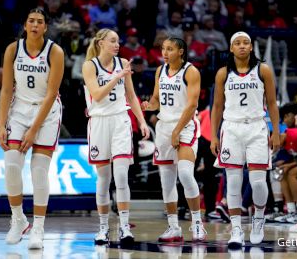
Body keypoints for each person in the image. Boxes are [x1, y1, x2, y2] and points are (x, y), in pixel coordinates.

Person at [0, 8, 64, 249]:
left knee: (38, 171)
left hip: (46, 114)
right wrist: (1, 124)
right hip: (19, 110)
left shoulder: (55, 51)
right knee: (12, 164)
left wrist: (34, 129)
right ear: (25, 25)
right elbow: (6, 89)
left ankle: (38, 227)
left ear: (45, 27)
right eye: (31, 21)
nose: (35, 25)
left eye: (40, 22)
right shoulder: (13, 49)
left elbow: (51, 94)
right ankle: (18, 219)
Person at [210, 31, 280, 247]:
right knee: (233, 181)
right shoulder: (223, 73)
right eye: (237, 43)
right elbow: (217, 106)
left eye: (246, 43)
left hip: (257, 127)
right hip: (231, 128)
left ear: (251, 47)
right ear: (231, 48)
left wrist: (275, 131)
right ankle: (237, 229)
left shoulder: (263, 70)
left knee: (258, 182)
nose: (242, 46)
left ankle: (258, 217)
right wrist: (213, 135)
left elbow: (271, 102)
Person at [82, 28, 150, 246]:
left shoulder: (123, 62)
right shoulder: (89, 65)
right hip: (99, 122)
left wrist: (141, 121)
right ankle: (103, 228)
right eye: (112, 41)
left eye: (118, 41)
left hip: (121, 121)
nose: (117, 44)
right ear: (101, 43)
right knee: (104, 179)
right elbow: (97, 94)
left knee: (121, 176)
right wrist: (116, 77)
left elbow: (131, 95)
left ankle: (124, 227)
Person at [141, 37, 207, 242]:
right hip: (164, 127)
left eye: (170, 49)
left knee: (186, 174)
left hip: (185, 126)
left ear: (181, 51)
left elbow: (192, 105)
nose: (165, 52)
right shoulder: (160, 71)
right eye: (163, 48)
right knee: (166, 181)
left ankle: (197, 224)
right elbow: (157, 100)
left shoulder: (191, 71)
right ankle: (173, 228)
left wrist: (177, 131)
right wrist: (147, 106)